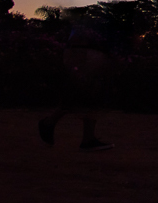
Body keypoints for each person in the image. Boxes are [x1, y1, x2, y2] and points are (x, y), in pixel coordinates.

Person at [38, 21, 116, 151]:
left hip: (86, 47)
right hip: (84, 48)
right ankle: (86, 138)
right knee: (87, 90)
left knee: (86, 91)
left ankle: (52, 124)